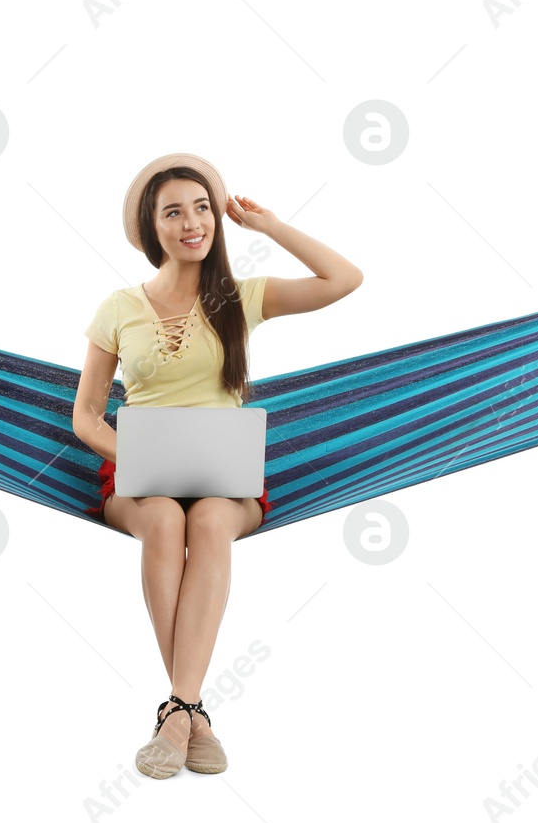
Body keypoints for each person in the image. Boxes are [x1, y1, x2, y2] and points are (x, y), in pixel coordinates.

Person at [71, 153, 363, 779]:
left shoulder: (241, 298)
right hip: (136, 473)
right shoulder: (119, 308)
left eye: (201, 208)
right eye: (173, 212)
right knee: (165, 522)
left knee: (205, 522)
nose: (191, 222)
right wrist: (146, 458)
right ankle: (190, 710)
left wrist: (271, 226)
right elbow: (87, 418)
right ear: (154, 230)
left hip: (224, 477)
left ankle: (176, 711)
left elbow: (345, 278)